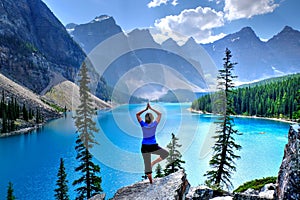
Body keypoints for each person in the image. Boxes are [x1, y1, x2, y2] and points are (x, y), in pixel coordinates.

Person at [136, 102, 169, 184]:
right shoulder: (154, 124)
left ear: (146, 118)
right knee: (165, 154)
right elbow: (160, 114)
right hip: (153, 146)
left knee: (147, 167)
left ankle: (151, 182)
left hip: (145, 147)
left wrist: (145, 109)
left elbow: (137, 115)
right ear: (152, 118)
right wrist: (151, 108)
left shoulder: (143, 124)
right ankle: (153, 163)